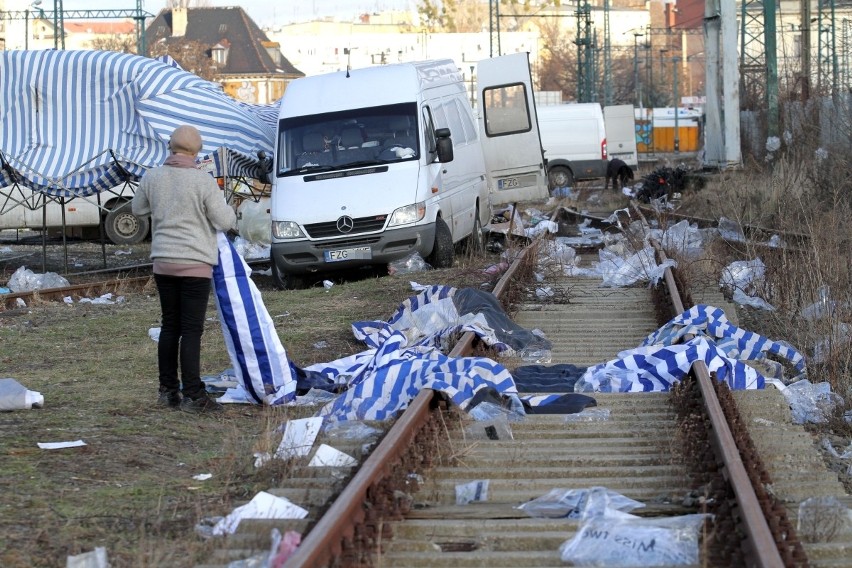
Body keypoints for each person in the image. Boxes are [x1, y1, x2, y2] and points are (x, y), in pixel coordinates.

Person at [132, 125, 237, 414]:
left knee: (170, 326)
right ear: (197, 151)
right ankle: (193, 395)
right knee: (191, 330)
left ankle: (167, 391)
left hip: (164, 263)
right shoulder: (202, 181)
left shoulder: (152, 177)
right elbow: (225, 220)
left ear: (170, 146)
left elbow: (137, 209)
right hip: (195, 264)